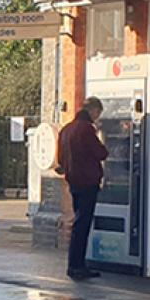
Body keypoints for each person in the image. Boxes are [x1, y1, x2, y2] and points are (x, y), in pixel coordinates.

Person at [54, 97, 108, 281]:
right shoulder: (86, 129)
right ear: (93, 111)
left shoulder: (66, 129)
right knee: (82, 225)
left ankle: (74, 264)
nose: (97, 117)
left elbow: (60, 160)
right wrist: (99, 136)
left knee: (78, 223)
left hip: (73, 182)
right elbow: (101, 153)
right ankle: (77, 266)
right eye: (98, 114)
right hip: (88, 181)